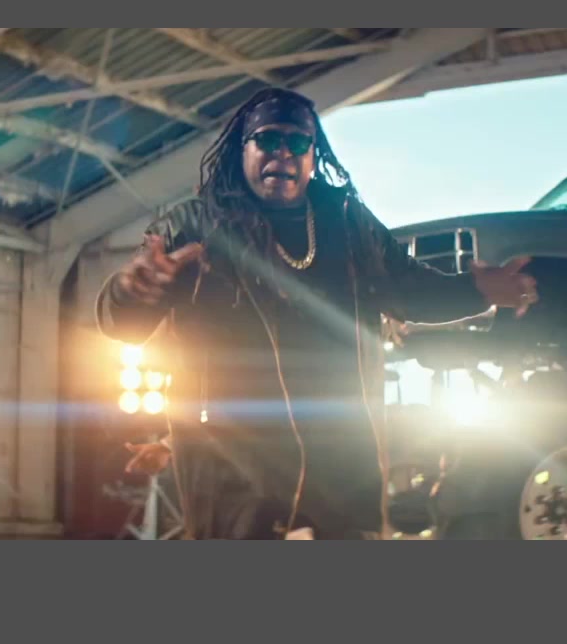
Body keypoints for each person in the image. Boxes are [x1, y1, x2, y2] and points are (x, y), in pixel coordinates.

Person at [97, 87, 538, 540]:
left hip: (339, 455)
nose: (283, 152)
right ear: (242, 149)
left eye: (297, 142)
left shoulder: (347, 223)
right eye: (268, 139)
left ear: (312, 156)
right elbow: (120, 325)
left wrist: (476, 291)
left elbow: (409, 287)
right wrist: (131, 292)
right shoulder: (194, 224)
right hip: (232, 459)